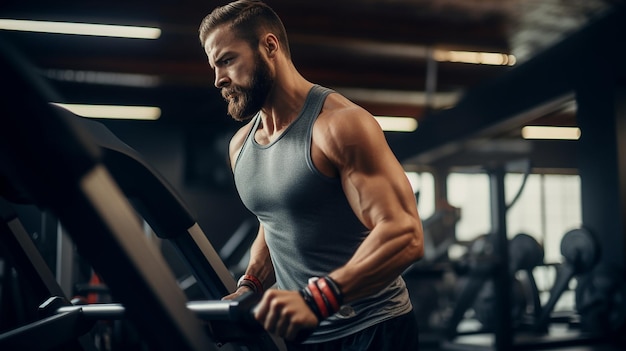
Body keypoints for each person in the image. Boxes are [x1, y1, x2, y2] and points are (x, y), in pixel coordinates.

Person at [198, 1, 424, 350]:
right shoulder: (240, 146)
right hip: (305, 337)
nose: (218, 79)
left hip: (374, 329)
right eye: (214, 66)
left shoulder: (339, 125)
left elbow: (405, 234)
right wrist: (250, 288)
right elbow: (275, 222)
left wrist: (318, 300)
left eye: (227, 60)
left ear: (269, 47)